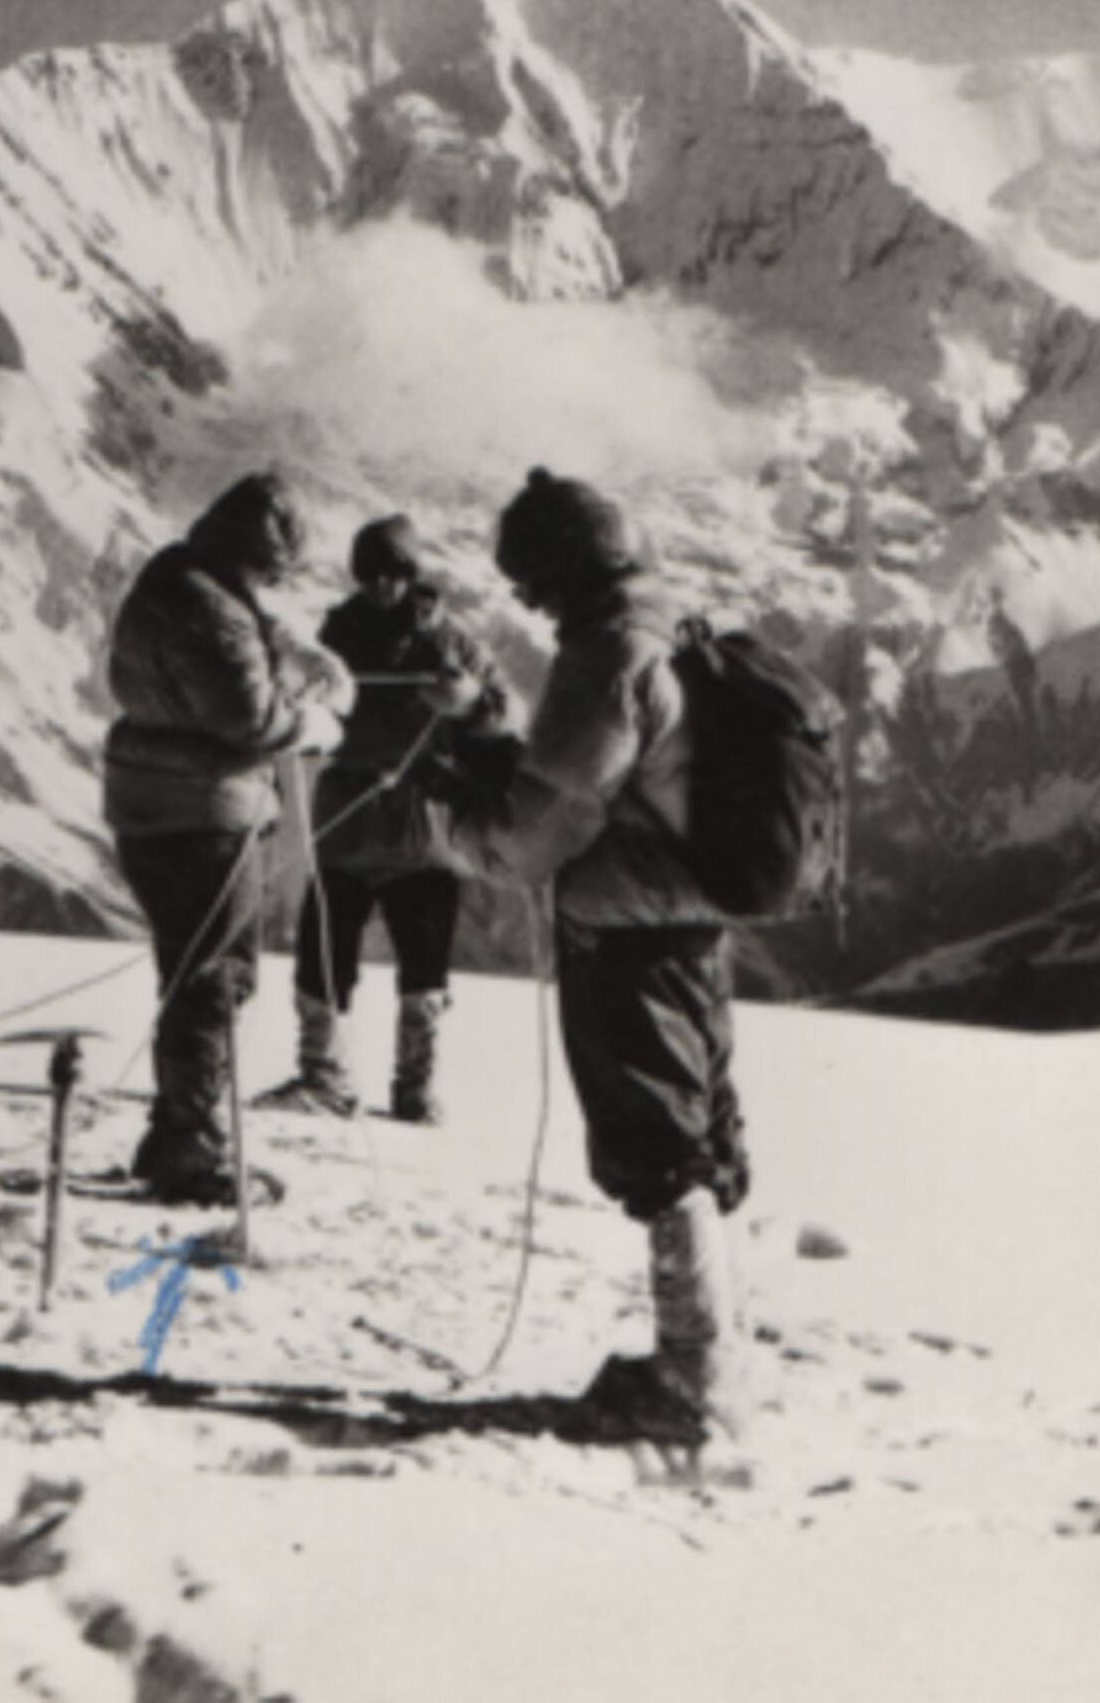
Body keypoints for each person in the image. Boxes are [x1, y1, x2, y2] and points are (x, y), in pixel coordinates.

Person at [452, 469, 748, 1440]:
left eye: (531, 583)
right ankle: (706, 1359)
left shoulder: (605, 655)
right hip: (694, 917)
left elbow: (554, 819)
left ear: (564, 572)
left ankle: (691, 1389)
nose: (528, 606)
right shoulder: (677, 628)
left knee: (657, 1150)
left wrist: (462, 833)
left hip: (625, 925)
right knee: (697, 1137)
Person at [102, 470, 351, 1206]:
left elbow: (244, 632)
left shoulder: (176, 577)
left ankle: (175, 1128)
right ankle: (190, 1145)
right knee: (215, 976)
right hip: (204, 809)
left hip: (150, 798)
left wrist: (292, 651)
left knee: (191, 971)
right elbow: (251, 717)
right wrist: (316, 721)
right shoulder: (213, 608)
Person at [253, 514, 508, 1123]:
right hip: (350, 820)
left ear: (411, 575)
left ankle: (413, 1089)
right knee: (324, 951)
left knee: (424, 968)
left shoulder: (453, 644)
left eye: (393, 573)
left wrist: (471, 704)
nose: (382, 586)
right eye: (371, 574)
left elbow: (501, 717)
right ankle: (325, 1076)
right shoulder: (336, 637)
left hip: (421, 825)